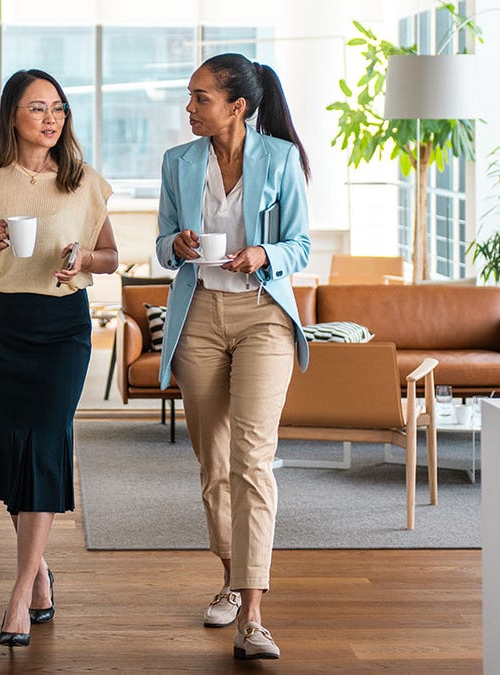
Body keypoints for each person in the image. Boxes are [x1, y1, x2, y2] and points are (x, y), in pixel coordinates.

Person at [0, 69, 118, 648]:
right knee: (13, 444)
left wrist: (83, 261)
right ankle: (42, 571)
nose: (51, 118)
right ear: (12, 116)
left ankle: (20, 592)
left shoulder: (84, 182)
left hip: (61, 329)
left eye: (59, 109)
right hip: (1, 324)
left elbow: (112, 257)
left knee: (46, 440)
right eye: (38, 108)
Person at [154, 53, 311, 660]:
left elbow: (300, 245)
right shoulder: (179, 162)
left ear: (236, 106)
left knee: (252, 459)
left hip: (263, 317)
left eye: (199, 98)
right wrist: (179, 242)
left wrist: (263, 255)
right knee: (213, 464)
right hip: (197, 321)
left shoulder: (280, 159)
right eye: (189, 97)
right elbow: (165, 247)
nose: (189, 108)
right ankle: (228, 575)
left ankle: (254, 614)